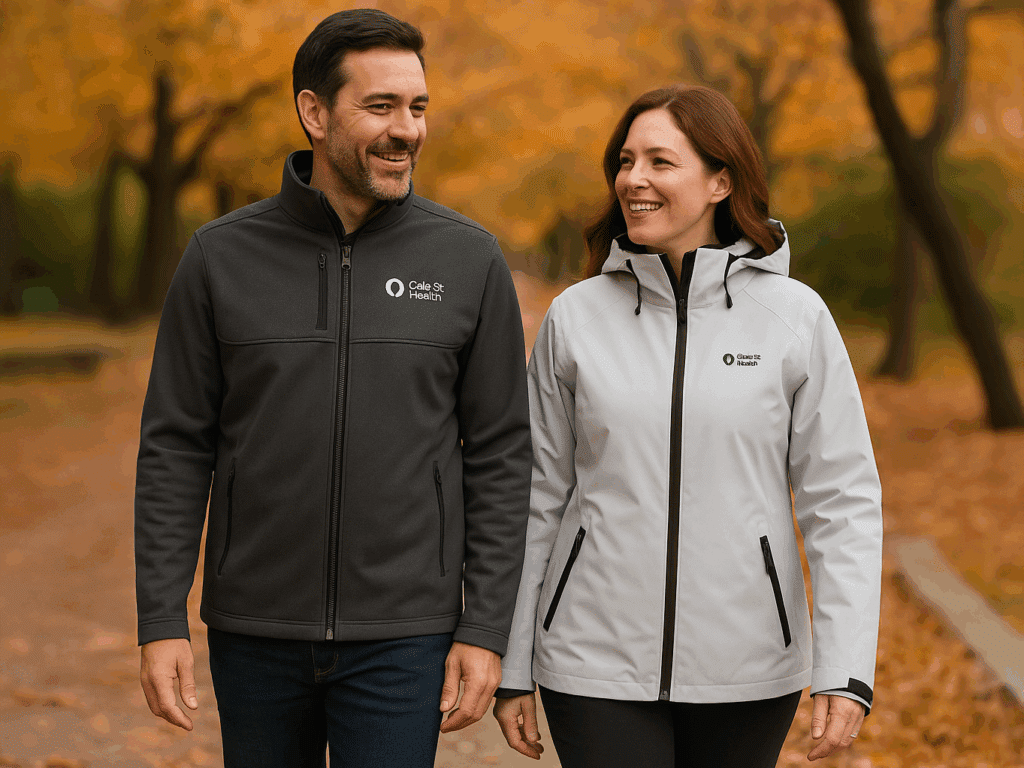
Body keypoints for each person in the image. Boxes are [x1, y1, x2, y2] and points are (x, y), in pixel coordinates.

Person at [134, 9, 532, 767]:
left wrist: (484, 629)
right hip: (255, 631)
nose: (406, 130)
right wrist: (160, 618)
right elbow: (176, 447)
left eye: (417, 108)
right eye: (380, 107)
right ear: (313, 113)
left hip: (406, 636)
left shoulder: (470, 260)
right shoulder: (221, 258)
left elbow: (502, 456)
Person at [492, 84, 883, 768]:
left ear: (720, 181)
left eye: (659, 162)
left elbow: (842, 501)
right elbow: (535, 496)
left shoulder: (796, 317)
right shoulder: (575, 317)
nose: (633, 179)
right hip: (592, 661)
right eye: (625, 160)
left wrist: (846, 669)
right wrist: (514, 659)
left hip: (749, 663)